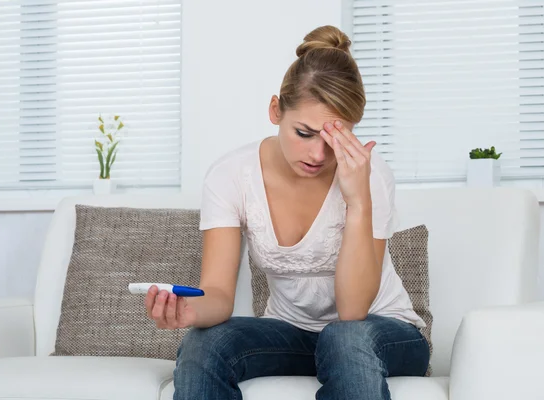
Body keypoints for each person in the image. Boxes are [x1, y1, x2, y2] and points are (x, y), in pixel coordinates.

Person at [145, 25, 429, 400]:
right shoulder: (231, 175)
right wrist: (190, 312)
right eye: (305, 133)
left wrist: (358, 203)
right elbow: (216, 292)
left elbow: (352, 310)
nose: (318, 155)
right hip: (292, 333)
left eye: (334, 139)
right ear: (276, 110)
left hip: (382, 333)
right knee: (206, 343)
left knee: (343, 338)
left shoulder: (367, 173)